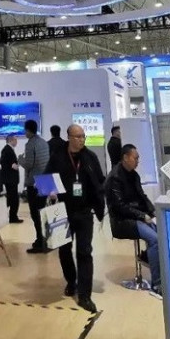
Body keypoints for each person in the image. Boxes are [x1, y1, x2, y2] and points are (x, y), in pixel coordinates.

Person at [45, 124, 106, 313]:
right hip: (62, 211)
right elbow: (46, 178)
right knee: (64, 250)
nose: (81, 140)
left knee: (84, 252)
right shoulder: (58, 156)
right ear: (69, 137)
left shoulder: (90, 157)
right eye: (78, 136)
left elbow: (100, 180)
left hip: (85, 211)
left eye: (83, 136)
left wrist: (99, 203)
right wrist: (51, 191)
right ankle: (71, 281)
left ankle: (85, 295)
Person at [106, 144, 161, 295]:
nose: (137, 161)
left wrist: (152, 211)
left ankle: (148, 257)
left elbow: (142, 196)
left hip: (137, 216)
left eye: (138, 158)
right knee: (155, 239)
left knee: (161, 233)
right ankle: (157, 285)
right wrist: (142, 216)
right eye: (135, 158)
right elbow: (120, 207)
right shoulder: (114, 178)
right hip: (122, 221)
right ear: (125, 157)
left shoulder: (134, 175)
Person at [20, 119, 50, 253]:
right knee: (44, 211)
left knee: (35, 213)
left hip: (35, 182)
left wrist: (20, 160)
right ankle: (47, 239)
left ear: (28, 130)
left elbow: (29, 164)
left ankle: (40, 241)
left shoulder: (30, 144)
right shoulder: (44, 142)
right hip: (46, 180)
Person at [0, 135, 23, 224]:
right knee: (14, 199)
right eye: (15, 140)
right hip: (10, 179)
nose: (17, 142)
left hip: (10, 179)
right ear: (11, 140)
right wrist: (13, 165)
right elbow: (3, 162)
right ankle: (13, 217)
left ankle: (10, 216)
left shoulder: (8, 149)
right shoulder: (7, 150)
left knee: (11, 198)